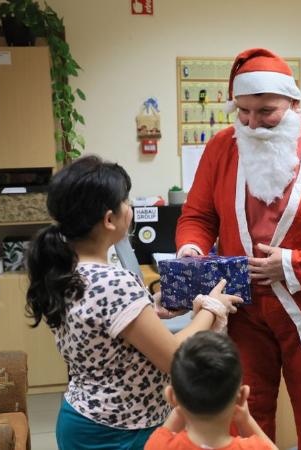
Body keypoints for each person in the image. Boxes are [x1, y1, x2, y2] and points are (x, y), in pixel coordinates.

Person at [175, 47, 301, 448]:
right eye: (243, 112)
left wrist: (294, 263)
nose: (253, 124)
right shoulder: (221, 147)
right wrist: (190, 253)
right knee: (246, 420)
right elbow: (198, 216)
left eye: (266, 111)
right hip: (243, 311)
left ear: (293, 102)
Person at [25, 155, 243, 450]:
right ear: (109, 219)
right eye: (125, 201)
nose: (129, 207)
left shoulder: (66, 269)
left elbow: (101, 324)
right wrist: (210, 308)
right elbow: (173, 357)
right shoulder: (114, 283)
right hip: (118, 431)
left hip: (83, 417)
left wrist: (146, 307)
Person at [145, 331, 277, 450]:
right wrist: (246, 420)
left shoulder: (159, 445)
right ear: (242, 396)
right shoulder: (254, 447)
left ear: (171, 396)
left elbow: (162, 435)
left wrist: (179, 403)